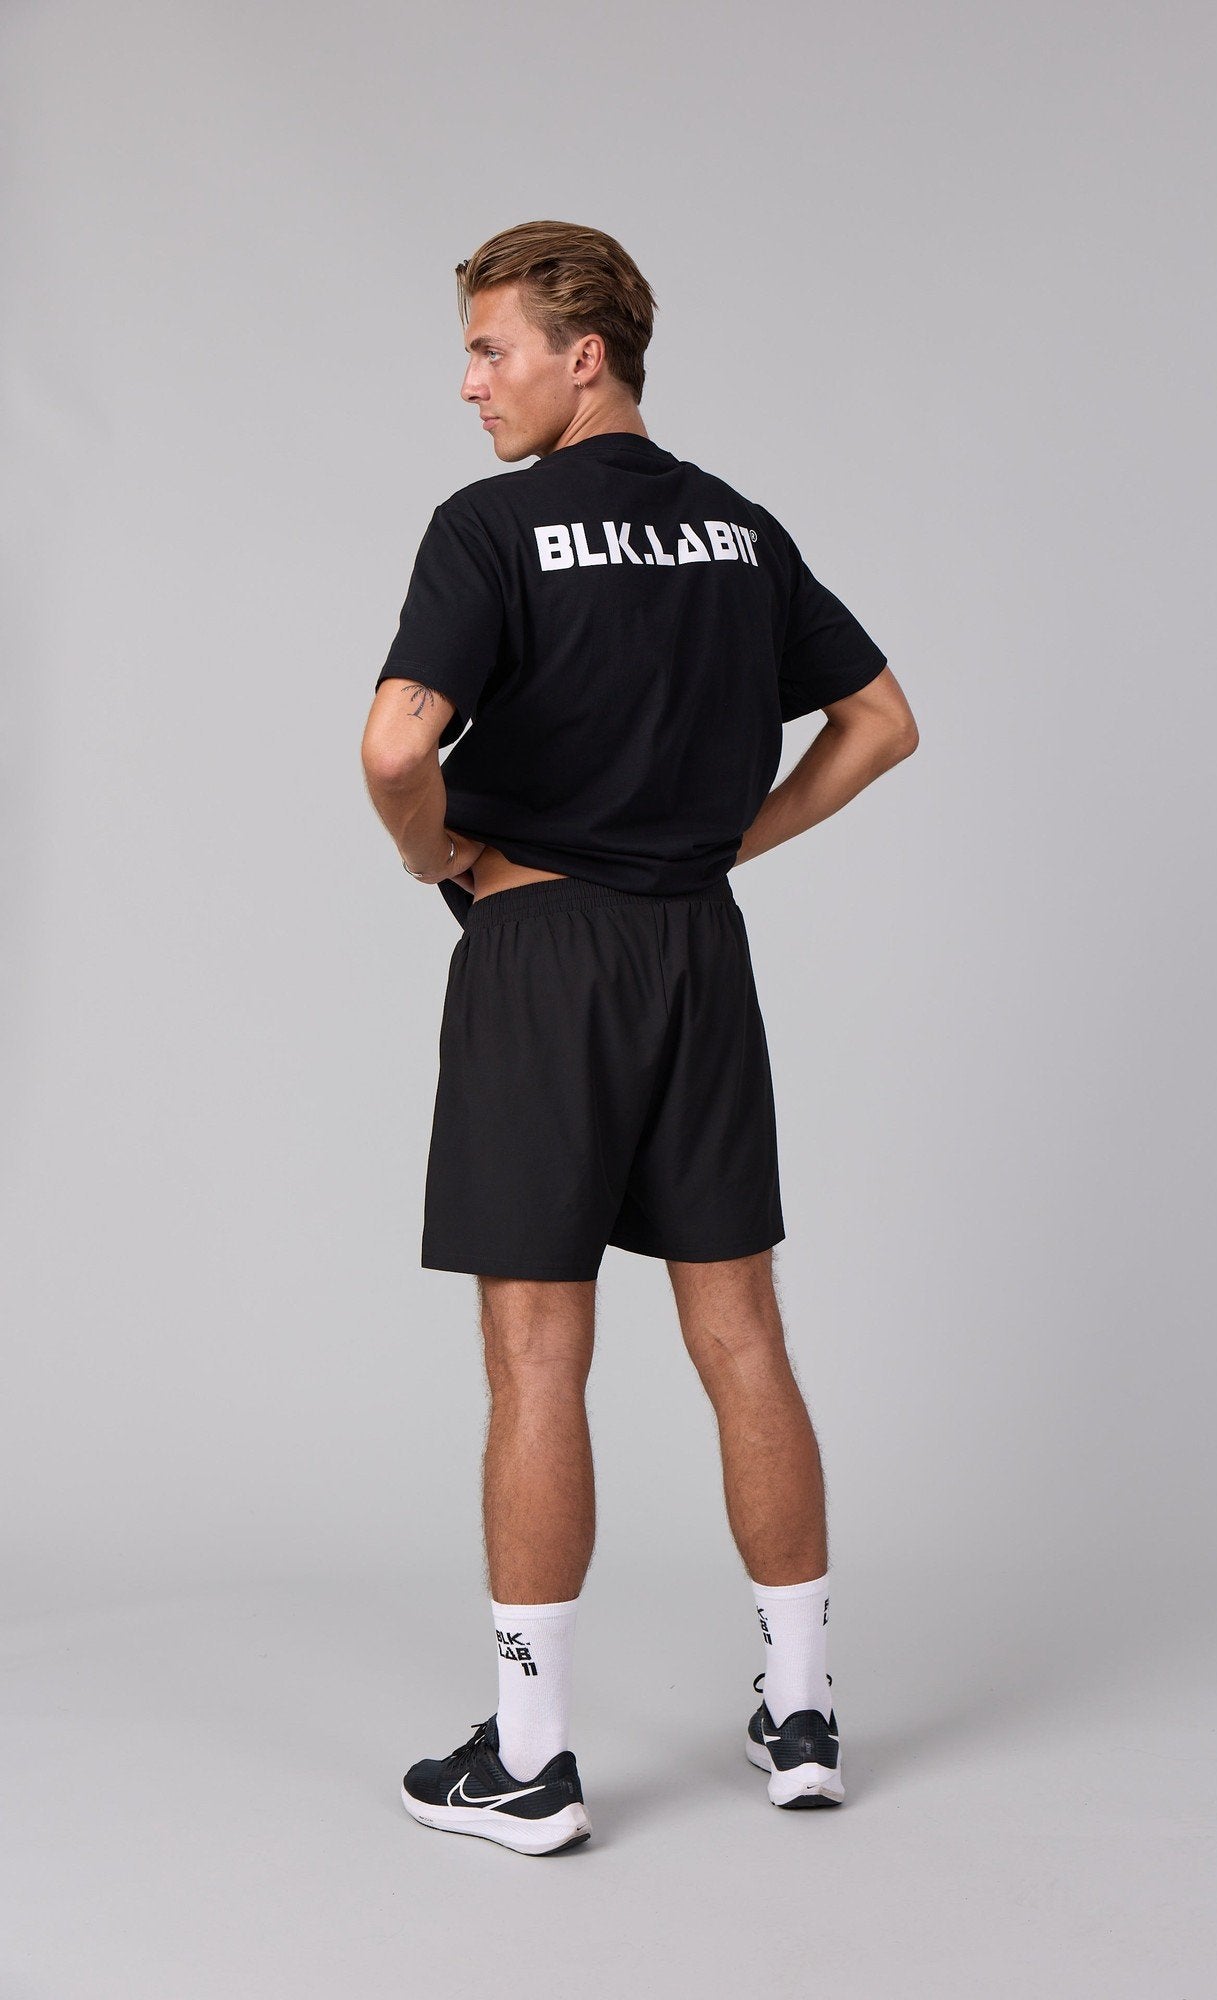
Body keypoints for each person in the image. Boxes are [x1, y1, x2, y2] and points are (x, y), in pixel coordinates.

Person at [360, 219, 919, 1855]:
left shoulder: (488, 526)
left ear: (581, 355)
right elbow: (882, 721)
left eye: (491, 350)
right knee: (741, 1334)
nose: (472, 385)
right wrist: (730, 840)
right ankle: (801, 1714)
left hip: (543, 955)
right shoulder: (739, 530)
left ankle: (531, 1762)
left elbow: (395, 747)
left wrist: (442, 857)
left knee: (539, 1355)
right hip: (696, 951)